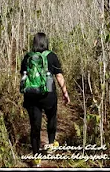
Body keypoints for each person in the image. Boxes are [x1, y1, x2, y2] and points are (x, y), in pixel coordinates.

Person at [20, 32, 70, 167]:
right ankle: (51, 144)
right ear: (46, 42)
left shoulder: (27, 57)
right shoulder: (52, 56)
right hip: (48, 95)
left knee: (35, 126)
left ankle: (36, 158)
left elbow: (24, 77)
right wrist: (65, 93)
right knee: (51, 118)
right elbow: (59, 76)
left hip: (31, 96)